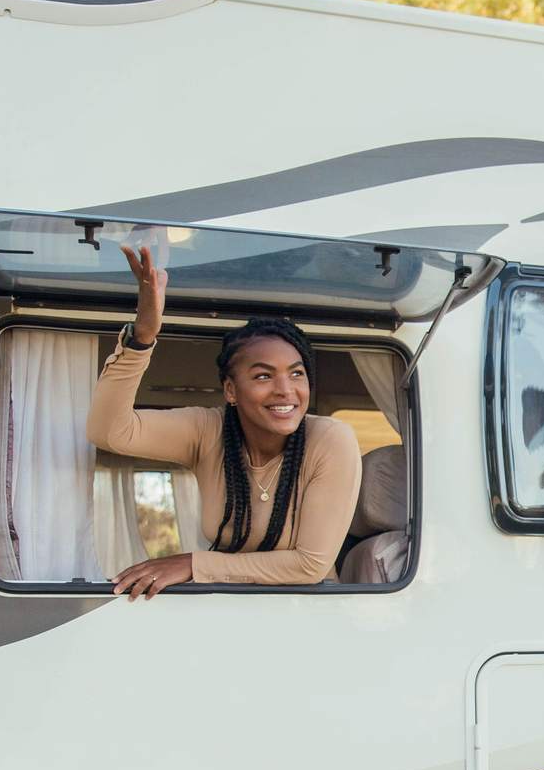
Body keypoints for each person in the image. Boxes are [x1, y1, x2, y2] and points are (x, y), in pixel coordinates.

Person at [89, 245, 361, 597]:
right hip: (229, 609)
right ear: (231, 390)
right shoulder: (209, 431)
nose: (285, 390)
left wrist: (192, 564)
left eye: (296, 374)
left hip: (308, 615)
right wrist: (141, 339)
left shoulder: (330, 439)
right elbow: (109, 432)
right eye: (263, 377)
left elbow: (309, 565)